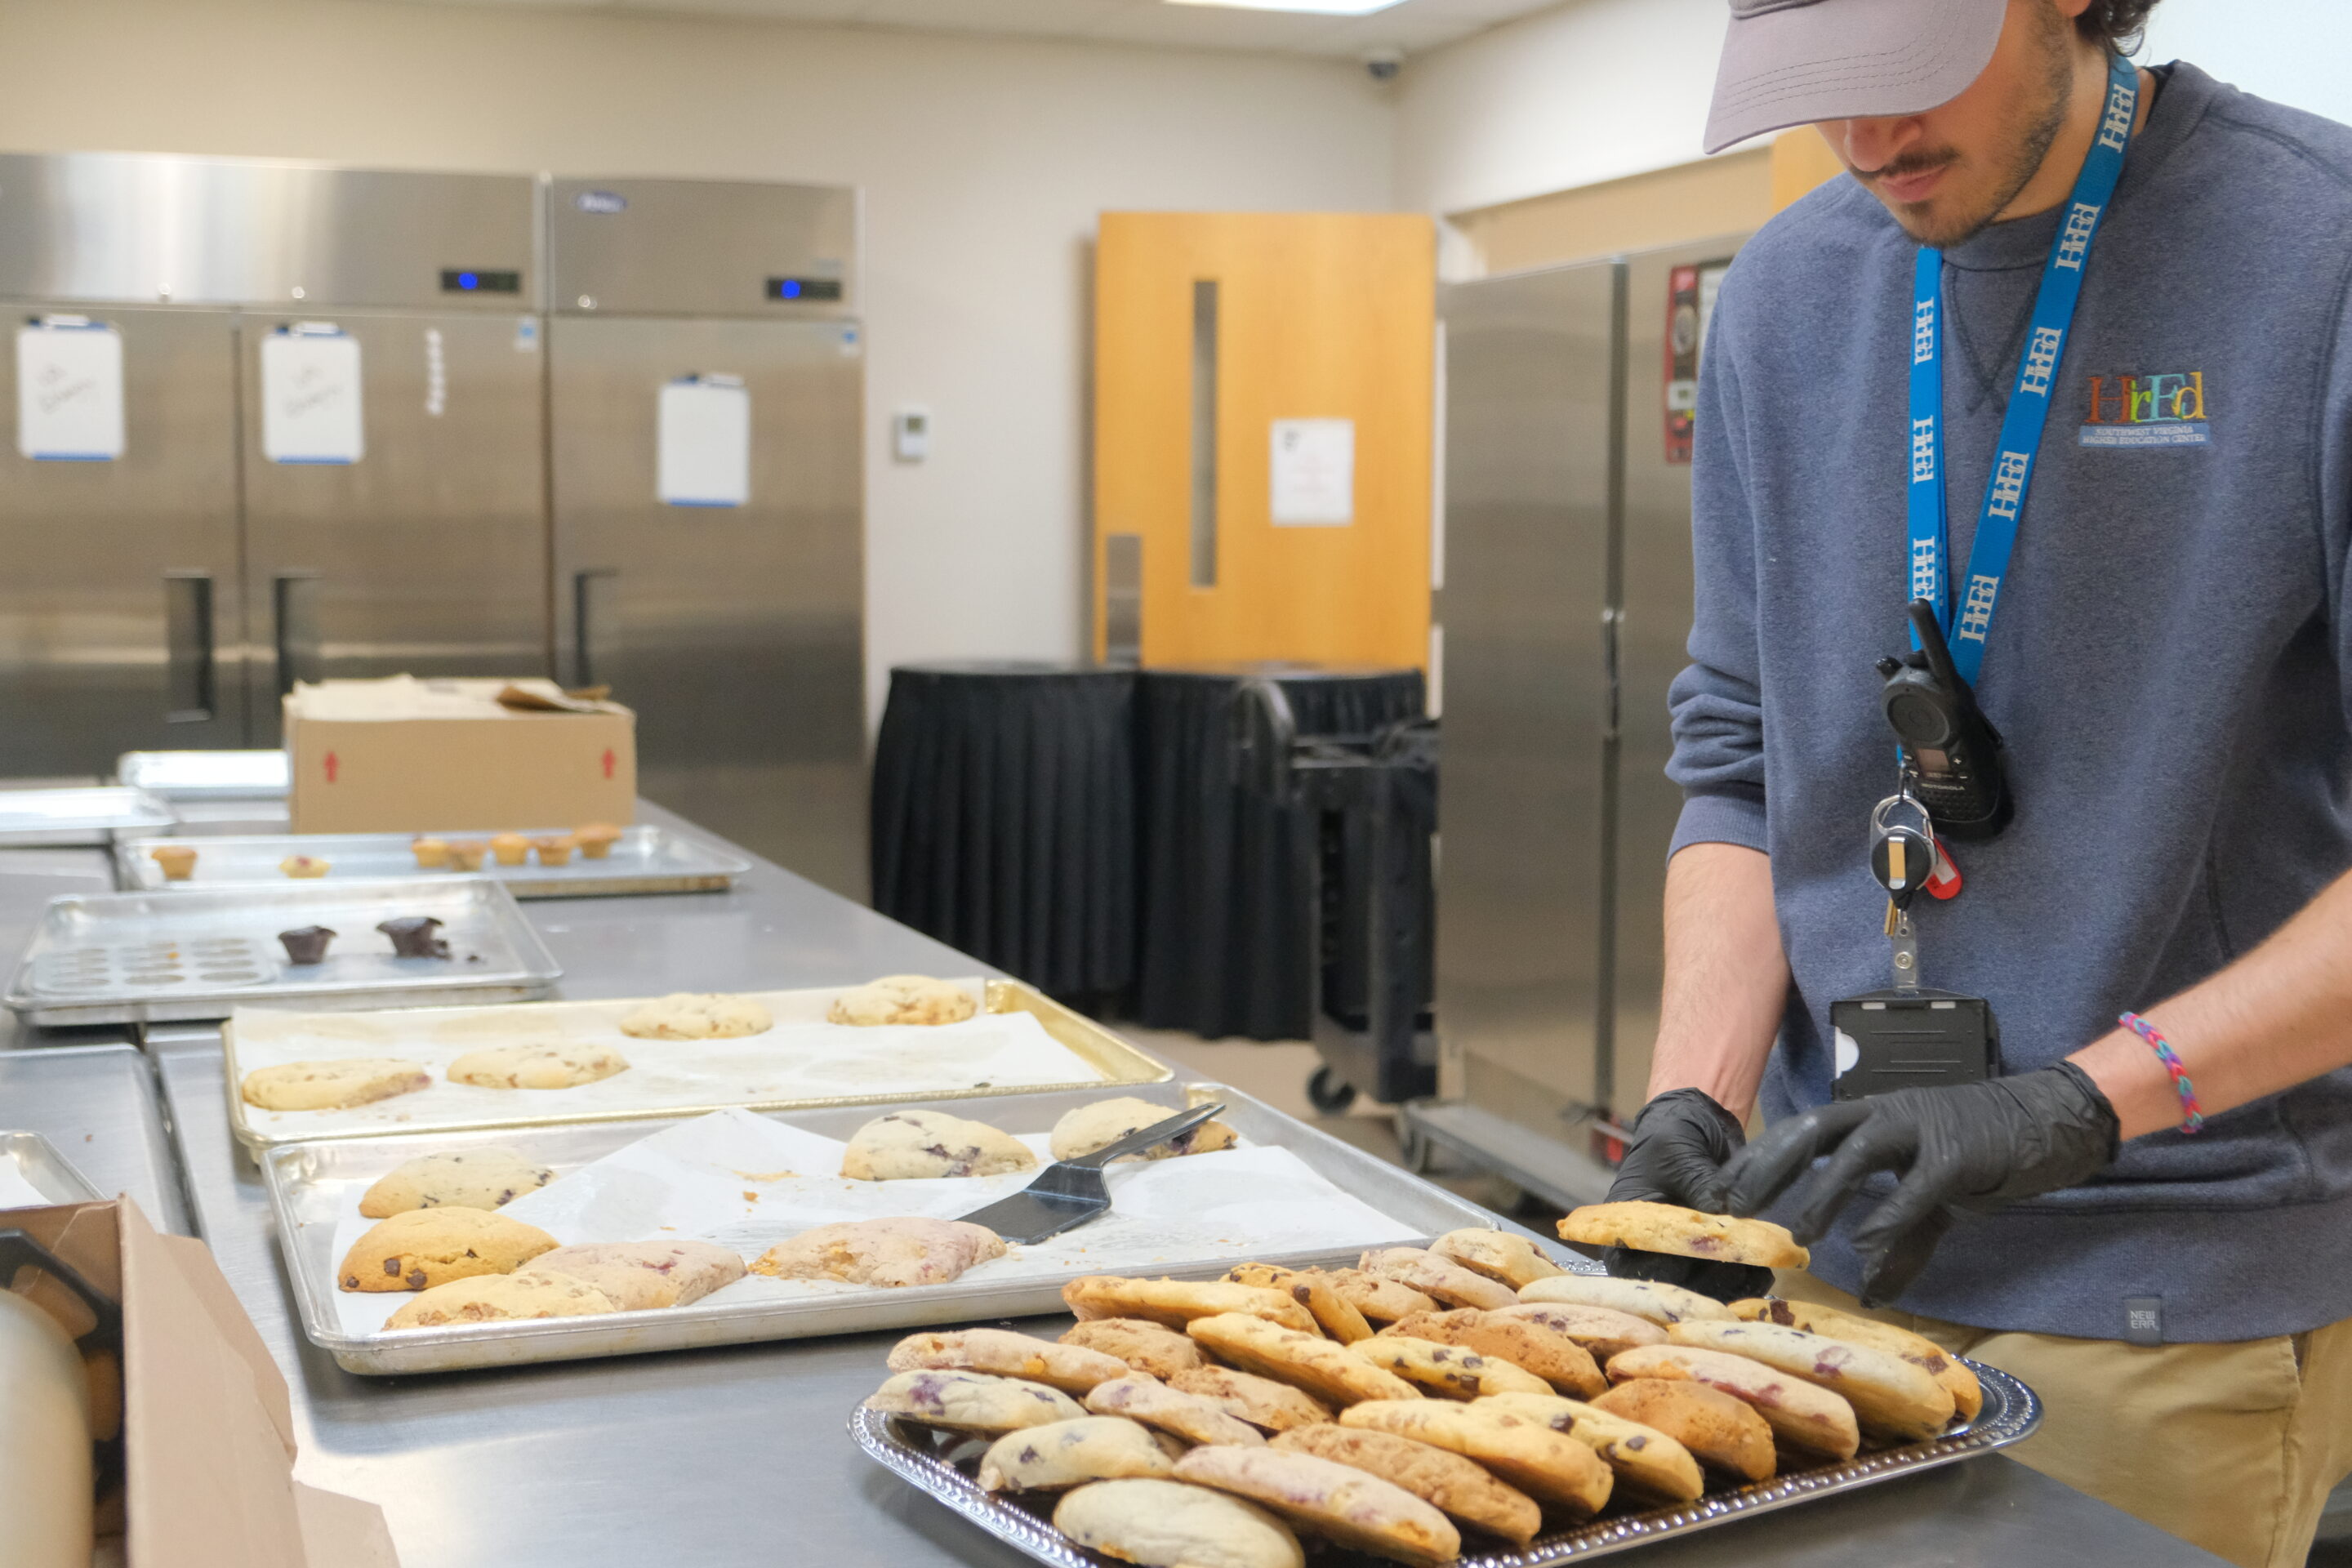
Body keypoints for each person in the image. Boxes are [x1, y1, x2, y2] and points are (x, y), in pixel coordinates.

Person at [1606, 0, 2352, 1561]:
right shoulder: (1788, 297)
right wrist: (1695, 1089)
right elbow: (1743, 753)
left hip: (2166, 1276)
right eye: (1824, 95)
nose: (1872, 141)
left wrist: (2080, 1104)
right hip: (1816, 1244)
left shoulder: (2319, 256)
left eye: (1911, 72)